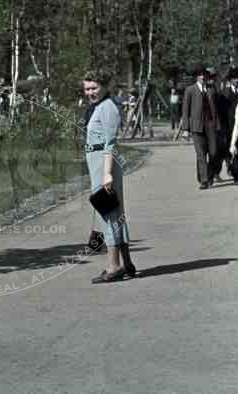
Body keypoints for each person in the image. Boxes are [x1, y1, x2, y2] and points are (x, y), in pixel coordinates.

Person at [82, 69, 136, 283]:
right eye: (87, 88)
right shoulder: (98, 107)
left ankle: (114, 266)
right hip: (97, 162)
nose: (90, 92)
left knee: (109, 213)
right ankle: (127, 263)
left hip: (105, 164)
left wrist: (106, 174)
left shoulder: (108, 108)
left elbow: (110, 144)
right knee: (114, 211)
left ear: (104, 86)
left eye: (94, 87)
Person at [181, 64, 221, 189]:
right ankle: (204, 180)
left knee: (214, 153)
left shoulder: (211, 89)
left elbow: (216, 109)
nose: (202, 77)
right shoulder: (190, 90)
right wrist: (185, 129)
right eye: (199, 75)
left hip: (210, 125)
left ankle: (208, 174)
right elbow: (185, 110)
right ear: (196, 77)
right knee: (201, 154)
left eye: (204, 74)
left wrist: (218, 125)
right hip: (196, 127)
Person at [218, 67, 238, 179]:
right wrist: (222, 128)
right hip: (228, 126)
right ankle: (231, 168)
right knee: (230, 149)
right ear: (230, 80)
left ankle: (237, 175)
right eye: (234, 78)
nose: (237, 80)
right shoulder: (225, 94)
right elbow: (221, 112)